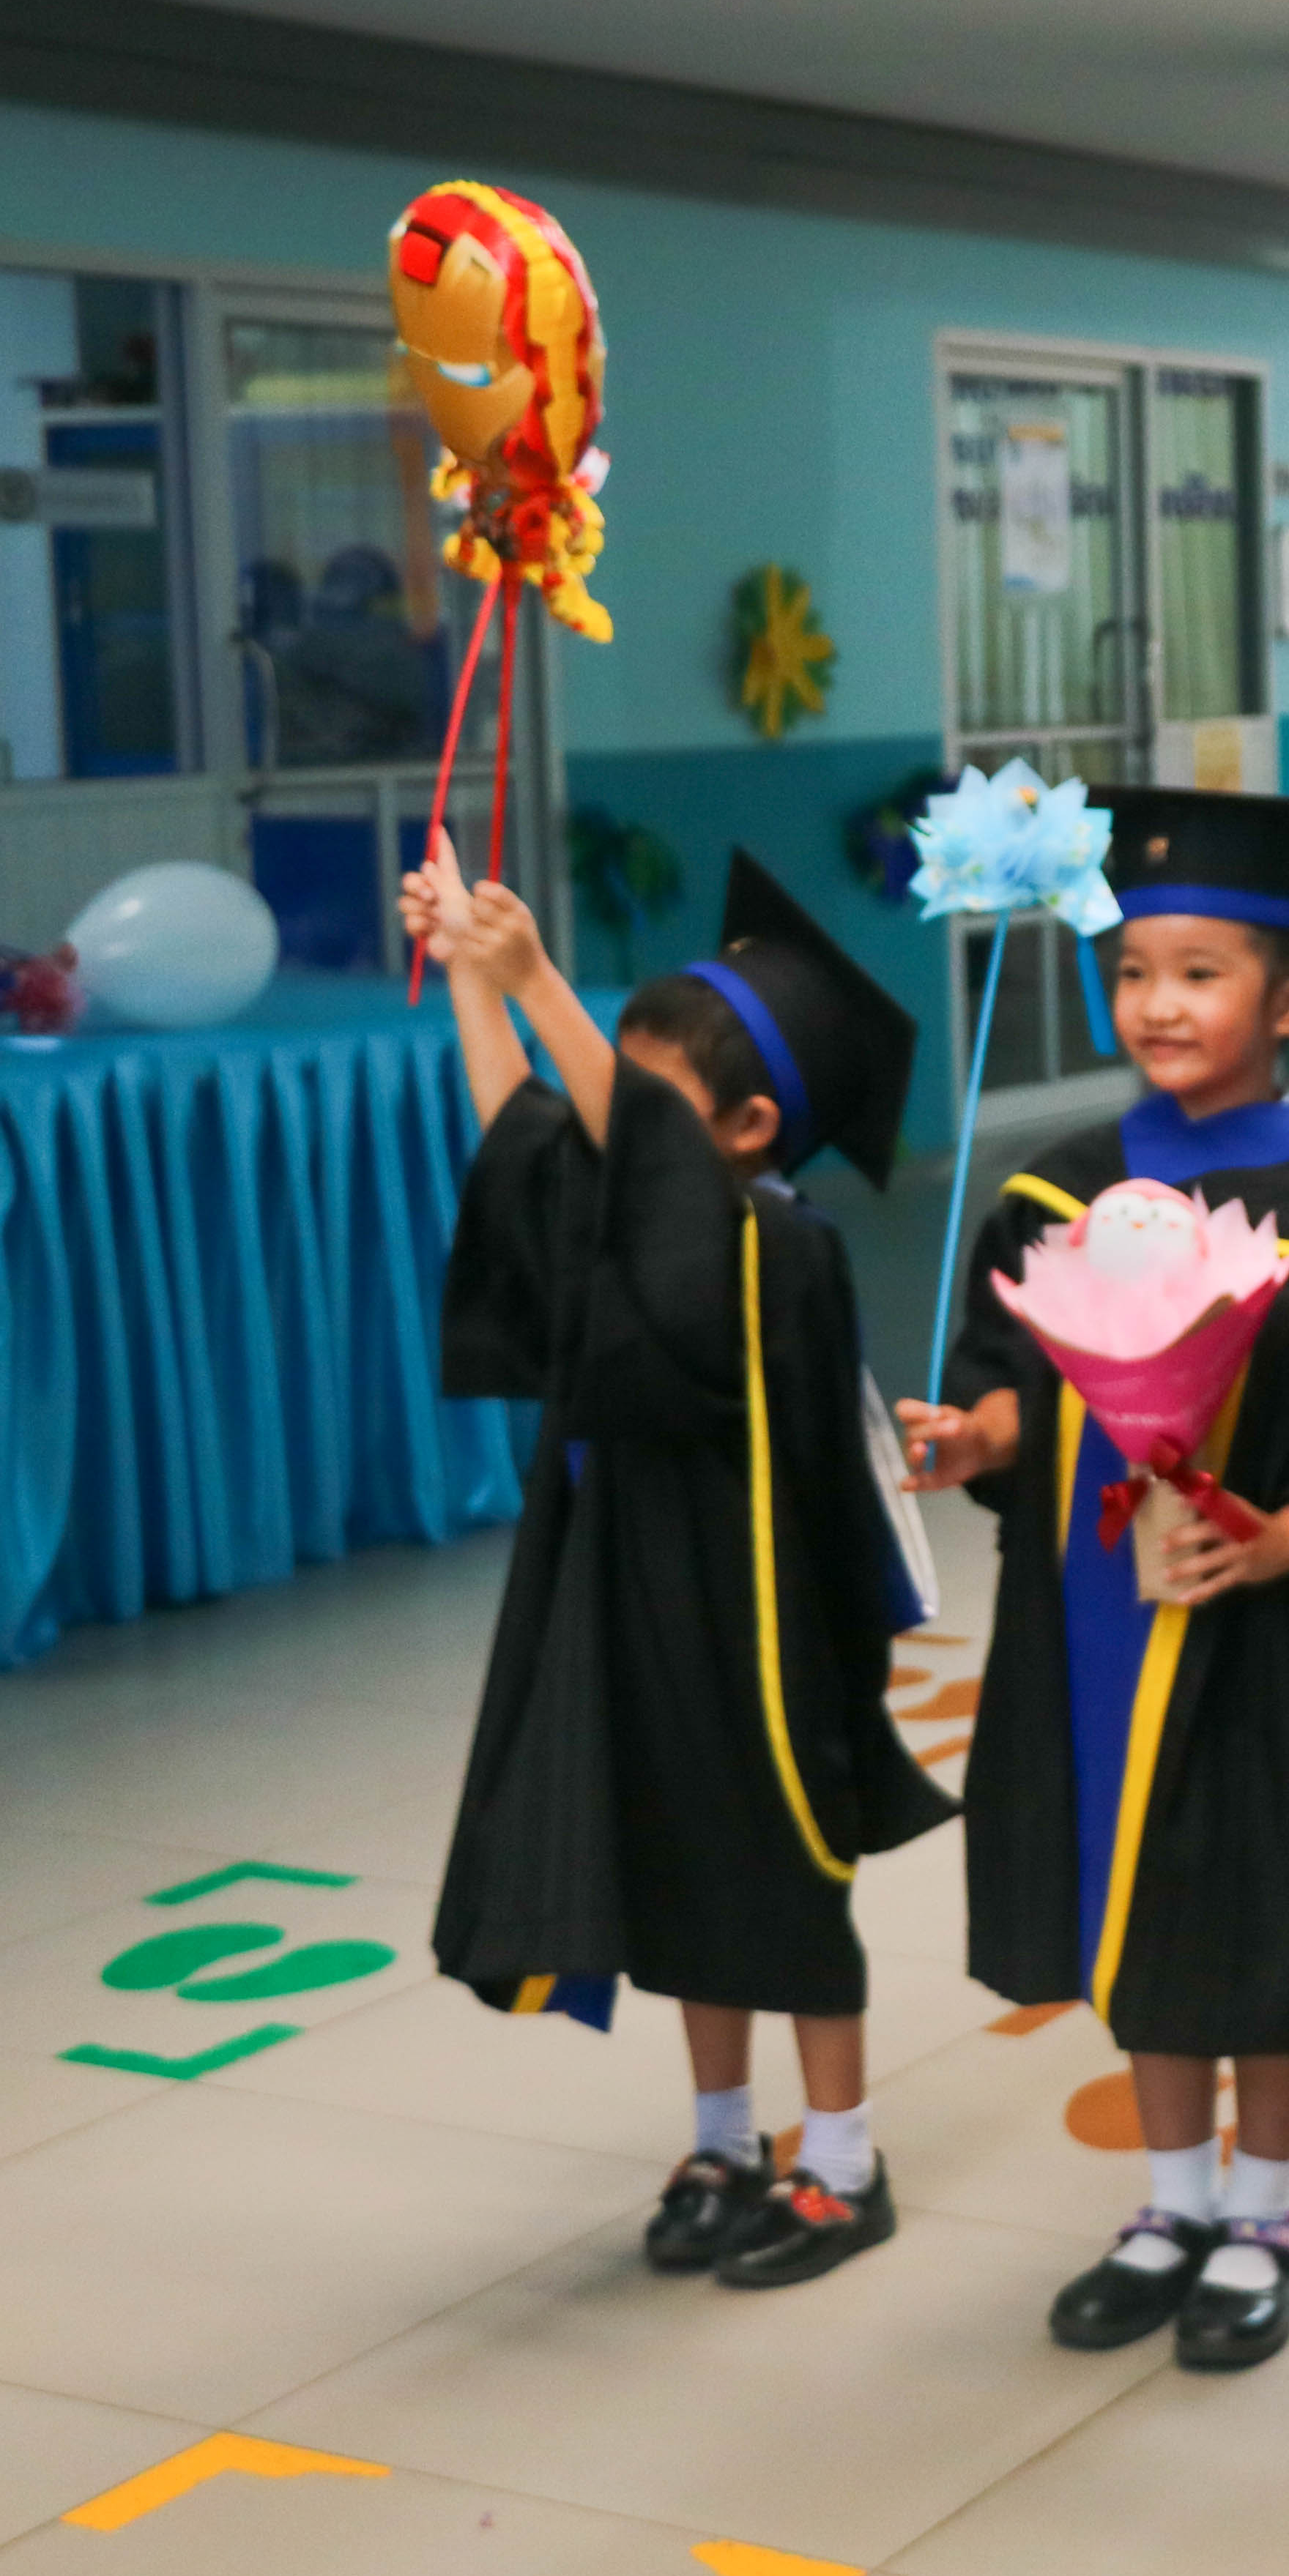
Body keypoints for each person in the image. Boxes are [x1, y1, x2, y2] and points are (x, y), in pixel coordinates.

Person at [896, 788, 1289, 2375]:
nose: (1157, 1005)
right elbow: (1014, 1381)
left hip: (1275, 1640)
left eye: (1200, 973)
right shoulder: (1060, 1185)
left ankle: (1264, 2210)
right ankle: (1172, 2200)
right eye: (1133, 972)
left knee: (1265, 1906)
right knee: (1138, 1901)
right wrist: (972, 1434)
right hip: (1098, 1619)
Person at [412, 833, 954, 2292]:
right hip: (643, 1601)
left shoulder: (782, 1249)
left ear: (752, 1126)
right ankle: (724, 2139)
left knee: (786, 1888)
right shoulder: (636, 1217)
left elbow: (658, 1181)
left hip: (767, 1628)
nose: (617, 1128)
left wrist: (542, 980)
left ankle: (842, 2161)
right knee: (684, 1873)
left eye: (648, 1099)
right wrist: (473, 974)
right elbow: (524, 1136)